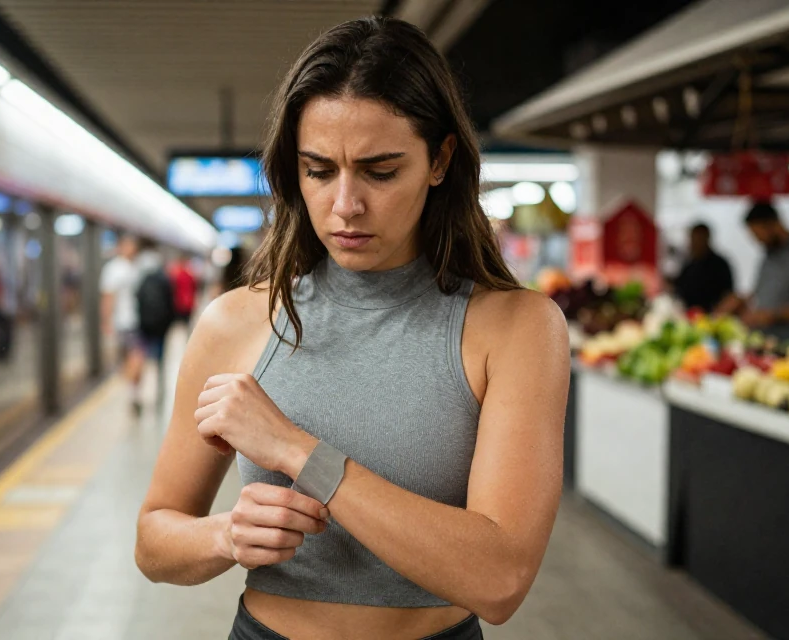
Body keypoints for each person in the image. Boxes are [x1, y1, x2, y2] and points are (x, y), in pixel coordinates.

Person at [135, 17, 567, 640]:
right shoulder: (235, 324)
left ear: (440, 159)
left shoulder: (515, 327)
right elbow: (154, 539)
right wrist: (224, 534)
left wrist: (295, 451)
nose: (345, 205)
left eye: (381, 171)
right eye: (318, 170)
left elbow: (499, 580)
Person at [718, 202, 789, 341]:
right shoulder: (769, 255)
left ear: (773, 225)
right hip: (766, 341)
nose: (759, 242)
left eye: (759, 236)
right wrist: (740, 301)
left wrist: (775, 316)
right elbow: (764, 293)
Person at [99, 234, 145, 410]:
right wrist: (106, 321)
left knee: (135, 358)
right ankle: (132, 393)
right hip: (124, 322)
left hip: (137, 321)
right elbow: (108, 297)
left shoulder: (134, 267)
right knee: (135, 356)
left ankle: (133, 392)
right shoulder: (114, 269)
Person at [672, 223, 733, 313]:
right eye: (693, 239)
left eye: (699, 239)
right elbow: (679, 288)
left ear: (707, 239)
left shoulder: (720, 265)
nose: (695, 243)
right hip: (688, 315)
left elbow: (727, 295)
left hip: (712, 317)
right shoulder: (689, 264)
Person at [167, 252, 199, 324]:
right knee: (184, 323)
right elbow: (194, 288)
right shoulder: (191, 275)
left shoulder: (177, 273)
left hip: (178, 302)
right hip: (187, 303)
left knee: (176, 322)